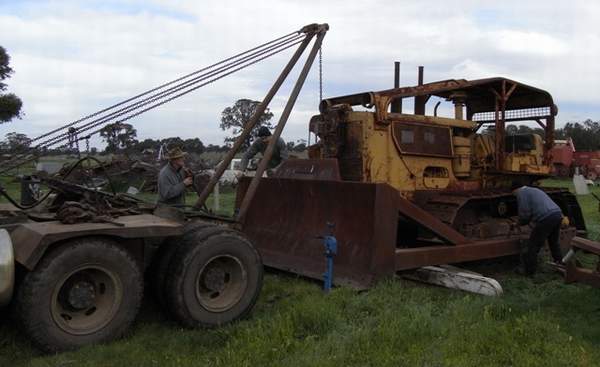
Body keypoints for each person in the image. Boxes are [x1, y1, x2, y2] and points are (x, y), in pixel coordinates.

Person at [511, 181, 564, 275]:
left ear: (515, 190)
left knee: (533, 245)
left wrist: (518, 223)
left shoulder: (521, 193)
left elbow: (525, 214)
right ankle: (560, 264)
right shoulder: (534, 190)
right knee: (554, 242)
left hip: (546, 218)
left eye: (513, 194)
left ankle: (529, 271)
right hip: (557, 214)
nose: (515, 196)